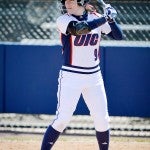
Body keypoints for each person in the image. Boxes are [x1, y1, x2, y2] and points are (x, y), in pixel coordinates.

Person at [41, 0, 123, 149]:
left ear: (81, 1)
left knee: (102, 120)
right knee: (62, 120)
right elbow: (79, 29)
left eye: (71, 0)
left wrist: (112, 20)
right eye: (65, 1)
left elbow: (118, 36)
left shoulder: (95, 17)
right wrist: (105, 18)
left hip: (94, 77)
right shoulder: (64, 19)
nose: (67, 3)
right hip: (71, 76)